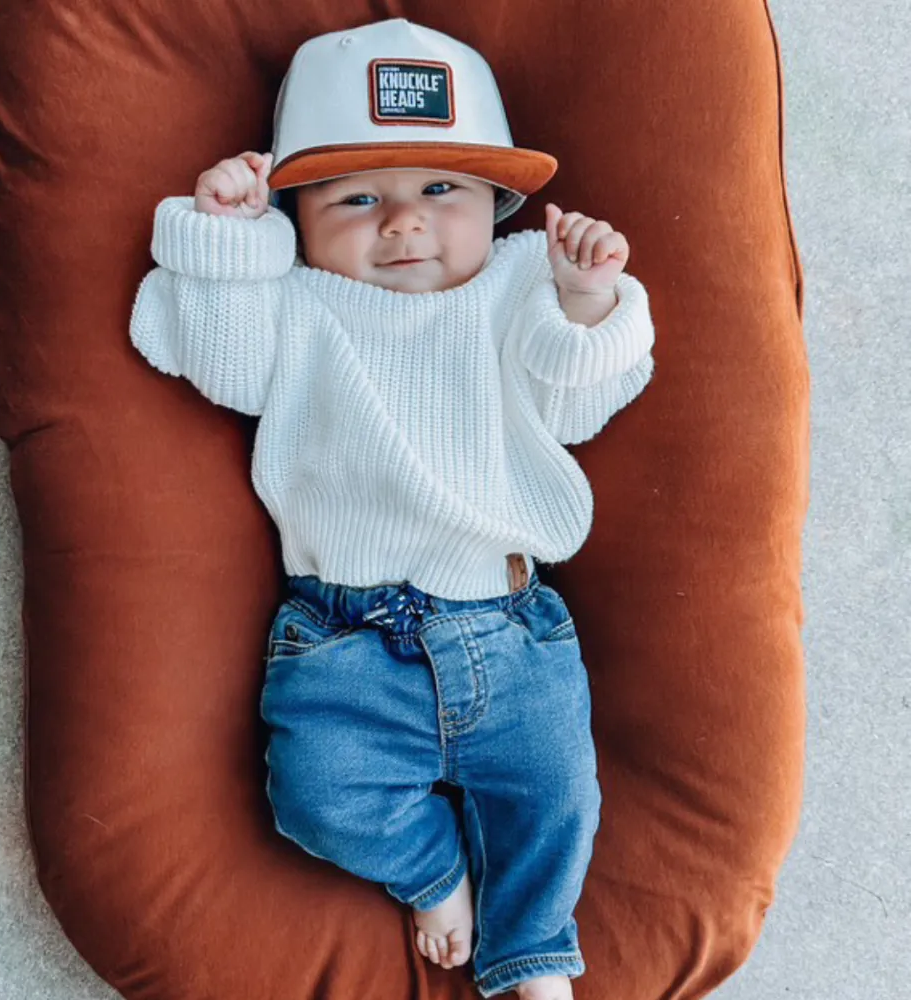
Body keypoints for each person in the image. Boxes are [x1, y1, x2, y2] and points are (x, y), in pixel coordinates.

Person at [129, 17, 655, 1000]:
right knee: (318, 797)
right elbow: (216, 359)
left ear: (497, 204)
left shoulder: (513, 288)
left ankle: (534, 957)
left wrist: (587, 302)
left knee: (556, 799)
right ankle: (434, 869)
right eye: (358, 198)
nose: (403, 223)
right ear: (299, 216)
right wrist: (227, 237)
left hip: (508, 630)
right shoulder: (296, 299)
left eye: (439, 191)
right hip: (343, 637)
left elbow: (577, 405)